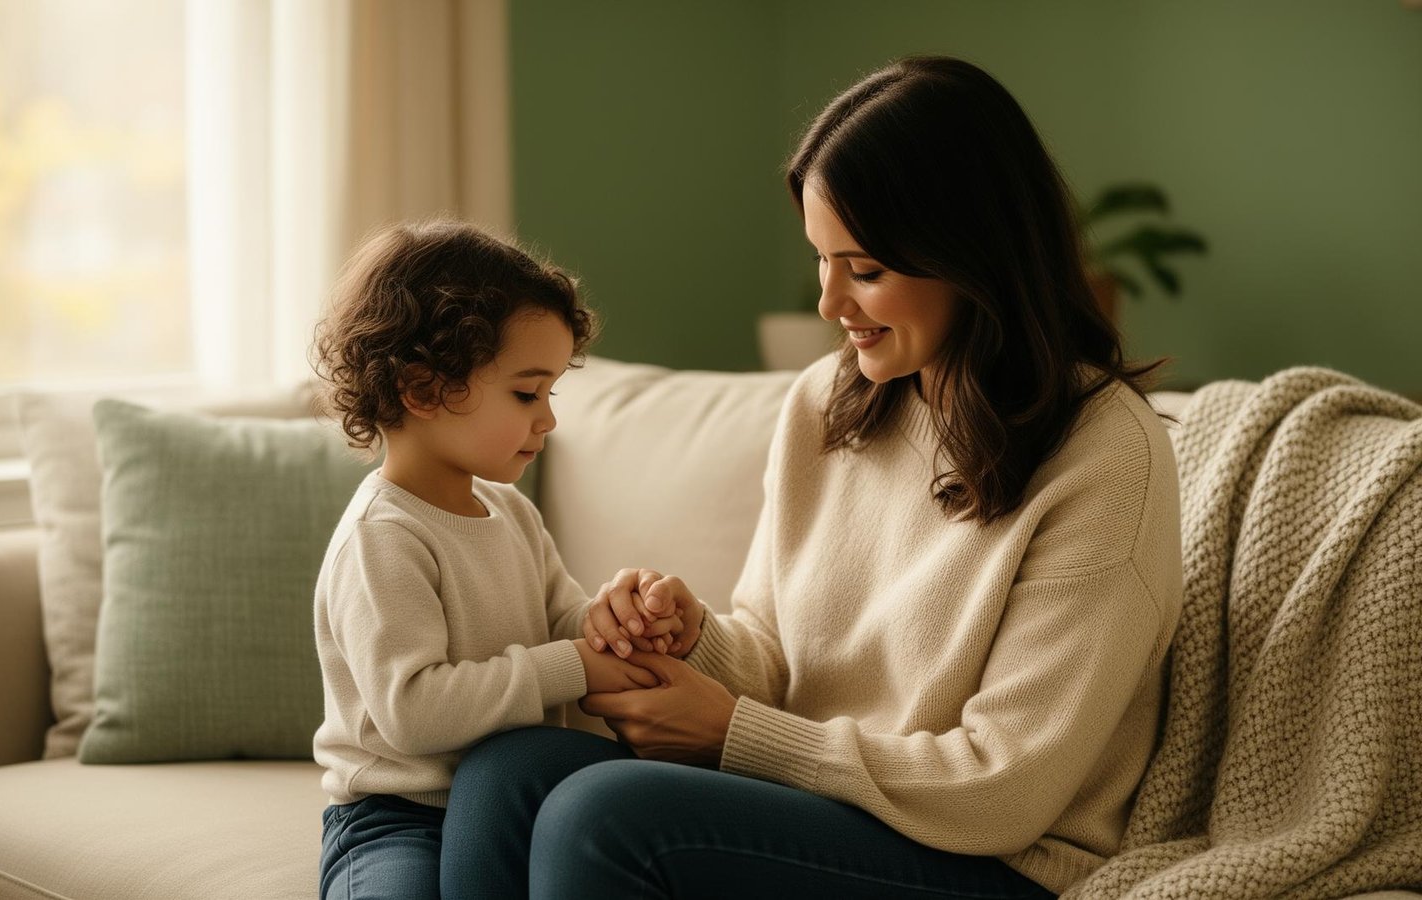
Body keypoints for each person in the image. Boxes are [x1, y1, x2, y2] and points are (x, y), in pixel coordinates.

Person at [439, 55, 1184, 900]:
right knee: (506, 772)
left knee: (599, 817)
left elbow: (1003, 787)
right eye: (822, 259)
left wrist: (733, 734)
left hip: (995, 861)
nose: (831, 303)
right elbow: (776, 657)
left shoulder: (1106, 456)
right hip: (828, 806)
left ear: (974, 258)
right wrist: (689, 633)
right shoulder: (828, 401)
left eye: (864, 270)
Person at [308, 220, 686, 900]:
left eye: (550, 394)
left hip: (512, 805)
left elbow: (562, 619)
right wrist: (575, 664)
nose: (548, 420)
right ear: (423, 389)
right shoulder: (383, 537)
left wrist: (615, 621)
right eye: (526, 393)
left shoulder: (510, 511)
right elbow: (414, 713)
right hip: (397, 816)